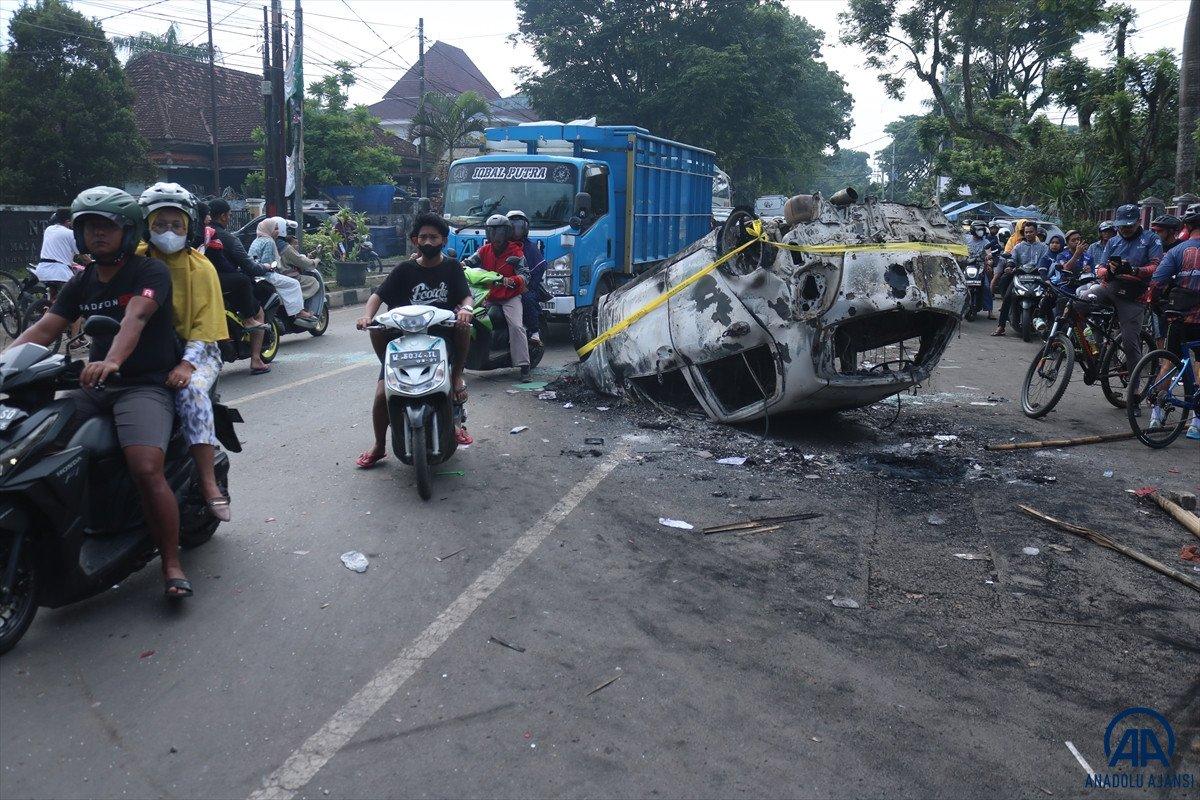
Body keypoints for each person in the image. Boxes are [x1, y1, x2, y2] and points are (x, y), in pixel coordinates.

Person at [7, 187, 192, 598]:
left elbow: (135, 318)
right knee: (34, 445)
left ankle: (171, 562)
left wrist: (113, 361)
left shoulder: (149, 273)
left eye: (107, 226)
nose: (97, 234)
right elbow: (44, 329)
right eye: (89, 227)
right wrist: (4, 363)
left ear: (128, 232)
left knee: (145, 467)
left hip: (143, 385)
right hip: (92, 387)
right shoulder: (81, 282)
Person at [137, 183, 232, 521]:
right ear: (145, 226)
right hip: (144, 354)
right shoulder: (135, 261)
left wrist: (187, 364)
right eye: (159, 224)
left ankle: (208, 482)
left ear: (189, 227)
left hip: (197, 353)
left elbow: (205, 326)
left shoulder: (201, 268)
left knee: (191, 392)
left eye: (176, 225)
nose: (168, 231)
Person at [354, 213, 474, 468]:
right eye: (423, 237)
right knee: (380, 395)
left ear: (443, 239)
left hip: (441, 338)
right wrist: (367, 316)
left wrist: (466, 310)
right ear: (414, 240)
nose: (428, 242)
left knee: (465, 328)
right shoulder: (404, 269)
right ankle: (379, 446)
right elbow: (377, 297)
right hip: (404, 342)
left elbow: (466, 297)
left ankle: (456, 379)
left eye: (433, 237)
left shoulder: (452, 267)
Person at [1076, 203, 1161, 372]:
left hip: (1134, 294)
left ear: (1139, 222)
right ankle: (1089, 345)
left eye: (1129, 225)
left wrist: (1136, 270)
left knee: (1130, 342)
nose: (1125, 229)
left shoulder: (1151, 239)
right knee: (1078, 304)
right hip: (1110, 287)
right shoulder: (1113, 241)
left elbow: (1156, 266)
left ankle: (1134, 388)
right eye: (1121, 226)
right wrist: (1108, 271)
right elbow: (1099, 267)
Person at [1146, 203, 1200, 438]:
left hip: (1176, 316)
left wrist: (1158, 304)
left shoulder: (1177, 251)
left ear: (1186, 227)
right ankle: (1196, 423)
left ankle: (1156, 415)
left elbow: (1156, 282)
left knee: (1168, 361)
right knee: (1199, 363)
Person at [463, 214, 531, 379]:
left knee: (516, 326)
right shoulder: (484, 250)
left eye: (499, 232)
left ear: (507, 232)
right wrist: (461, 265)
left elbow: (525, 275)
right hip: (489, 295)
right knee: (467, 317)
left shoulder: (515, 252)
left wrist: (511, 280)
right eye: (492, 231)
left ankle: (524, 366)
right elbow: (470, 262)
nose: (495, 236)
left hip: (510, 296)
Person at [208, 199, 271, 374]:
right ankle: (256, 360)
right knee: (258, 312)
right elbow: (249, 266)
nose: (228, 218)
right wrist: (264, 267)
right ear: (222, 216)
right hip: (228, 286)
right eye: (228, 215)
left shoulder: (197, 235)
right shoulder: (229, 238)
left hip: (204, 285)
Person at [247, 218, 314, 324]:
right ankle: (298, 312)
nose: (277, 231)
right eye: (275, 228)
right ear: (269, 229)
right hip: (266, 275)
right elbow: (267, 263)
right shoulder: (269, 241)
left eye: (278, 228)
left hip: (255, 274)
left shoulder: (257, 240)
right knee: (294, 283)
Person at [992, 220, 1049, 336]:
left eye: (1031, 232)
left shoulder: (1043, 247)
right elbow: (1012, 259)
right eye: (1026, 232)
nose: (1028, 234)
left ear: (1036, 232)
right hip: (1020, 276)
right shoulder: (1018, 247)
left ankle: (1049, 327)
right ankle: (1001, 326)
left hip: (1037, 277)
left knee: (1047, 298)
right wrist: (1009, 266)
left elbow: (1045, 261)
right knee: (1008, 297)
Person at [507, 209, 548, 346]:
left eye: (519, 227)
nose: (516, 231)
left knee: (527, 298)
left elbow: (540, 266)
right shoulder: (498, 245)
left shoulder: (530, 247)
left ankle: (534, 332)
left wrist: (527, 284)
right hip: (501, 285)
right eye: (512, 227)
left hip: (524, 286)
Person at [33, 207, 87, 289]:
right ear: (68, 221)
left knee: (54, 296)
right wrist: (93, 265)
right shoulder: (70, 234)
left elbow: (57, 254)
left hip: (42, 271)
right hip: (60, 274)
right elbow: (82, 255)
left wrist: (72, 263)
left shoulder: (49, 229)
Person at [279, 232, 323, 302]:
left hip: (282, 278)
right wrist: (317, 260)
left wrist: (308, 257)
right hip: (291, 278)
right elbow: (305, 263)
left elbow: (300, 260)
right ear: (289, 244)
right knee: (313, 281)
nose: (297, 246)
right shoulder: (287, 249)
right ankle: (297, 301)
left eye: (297, 243)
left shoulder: (277, 245)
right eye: (295, 243)